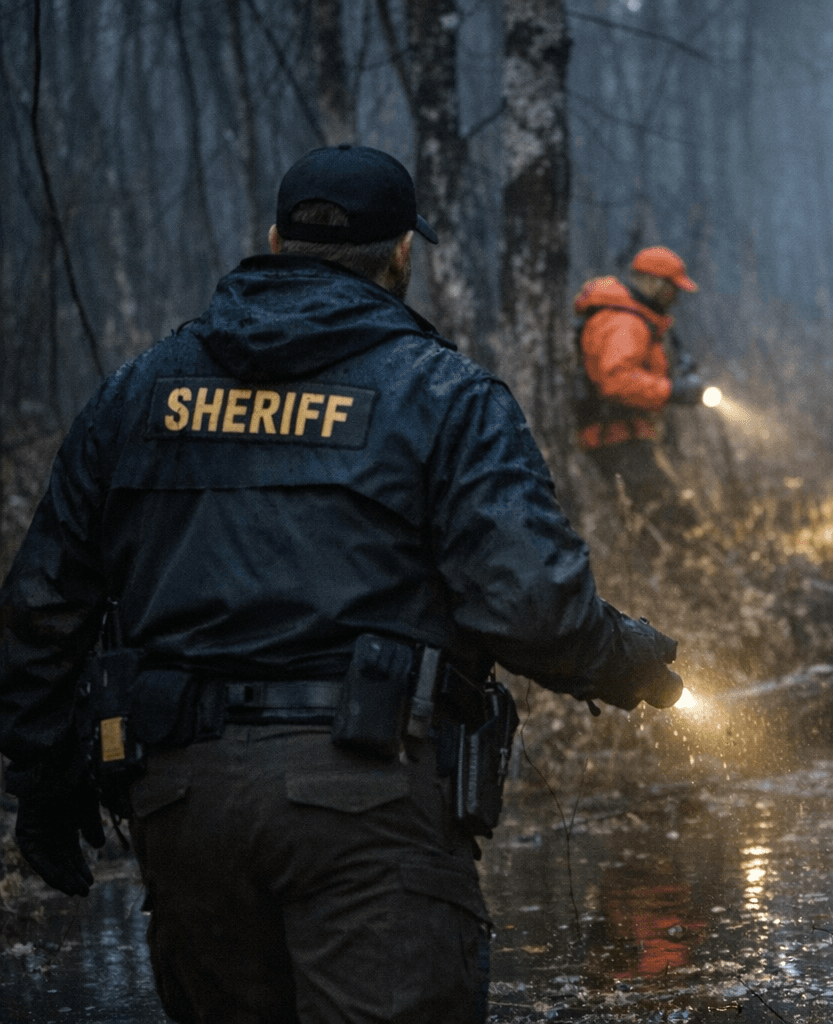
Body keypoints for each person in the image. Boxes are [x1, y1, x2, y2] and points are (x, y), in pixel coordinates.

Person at [0, 143, 684, 1024]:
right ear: (402, 254)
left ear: (276, 237)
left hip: (179, 806)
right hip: (370, 805)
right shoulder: (445, 397)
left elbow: (42, 606)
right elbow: (530, 606)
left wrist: (44, 785)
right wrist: (626, 662)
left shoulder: (137, 393)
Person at [574, 246, 705, 537]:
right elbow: (617, 381)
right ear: (653, 283)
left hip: (625, 436)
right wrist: (672, 391)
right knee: (671, 520)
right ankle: (677, 575)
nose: (676, 298)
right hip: (616, 438)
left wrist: (676, 371)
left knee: (657, 519)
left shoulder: (638, 319)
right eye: (673, 289)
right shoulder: (625, 322)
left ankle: (663, 574)